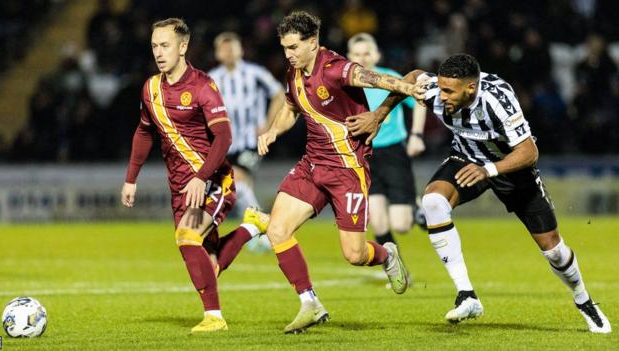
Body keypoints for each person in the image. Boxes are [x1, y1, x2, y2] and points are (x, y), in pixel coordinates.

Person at [346, 53, 612, 333]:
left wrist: (490, 170)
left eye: (450, 91)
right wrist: (378, 115)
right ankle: (467, 295)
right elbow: (413, 78)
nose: (443, 96)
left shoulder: (496, 101)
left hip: (510, 168)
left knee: (554, 250)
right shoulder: (438, 90)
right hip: (466, 159)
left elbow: (529, 152)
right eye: (442, 88)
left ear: (470, 88)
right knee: (434, 202)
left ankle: (584, 300)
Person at [257, 11, 426, 334]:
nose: (288, 54)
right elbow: (291, 108)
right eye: (284, 48)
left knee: (355, 254)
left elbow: (377, 80)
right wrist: (272, 132)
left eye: (293, 47)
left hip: (347, 170)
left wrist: (403, 92)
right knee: (277, 230)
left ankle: (386, 255)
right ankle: (310, 303)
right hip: (312, 165)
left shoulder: (335, 68)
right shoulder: (293, 74)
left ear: (313, 42)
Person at [121, 18, 269, 333]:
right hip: (180, 189)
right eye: (155, 46)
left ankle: (214, 317)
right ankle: (250, 226)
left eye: (165, 45)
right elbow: (144, 132)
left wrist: (202, 177)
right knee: (209, 266)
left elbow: (224, 138)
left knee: (187, 238)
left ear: (183, 47)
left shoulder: (203, 86)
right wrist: (131, 178)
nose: (159, 53)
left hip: (214, 182)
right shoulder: (151, 89)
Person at [347, 33, 427, 253]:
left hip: (392, 153)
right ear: (349, 56)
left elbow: (420, 101)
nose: (362, 58)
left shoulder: (390, 78)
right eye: (357, 54)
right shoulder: (345, 83)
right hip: (363, 157)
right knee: (378, 222)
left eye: (367, 53)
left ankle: (418, 208)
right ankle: (396, 270)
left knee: (400, 225)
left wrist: (417, 135)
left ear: (376, 54)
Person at [209, 32, 285, 252]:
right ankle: (254, 233)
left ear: (241, 50)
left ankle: (264, 230)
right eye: (224, 48)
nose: (228, 52)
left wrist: (270, 126)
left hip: (252, 141)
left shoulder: (255, 73)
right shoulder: (213, 78)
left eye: (232, 47)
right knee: (241, 187)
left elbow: (280, 94)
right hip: (226, 143)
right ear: (217, 53)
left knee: (238, 181)